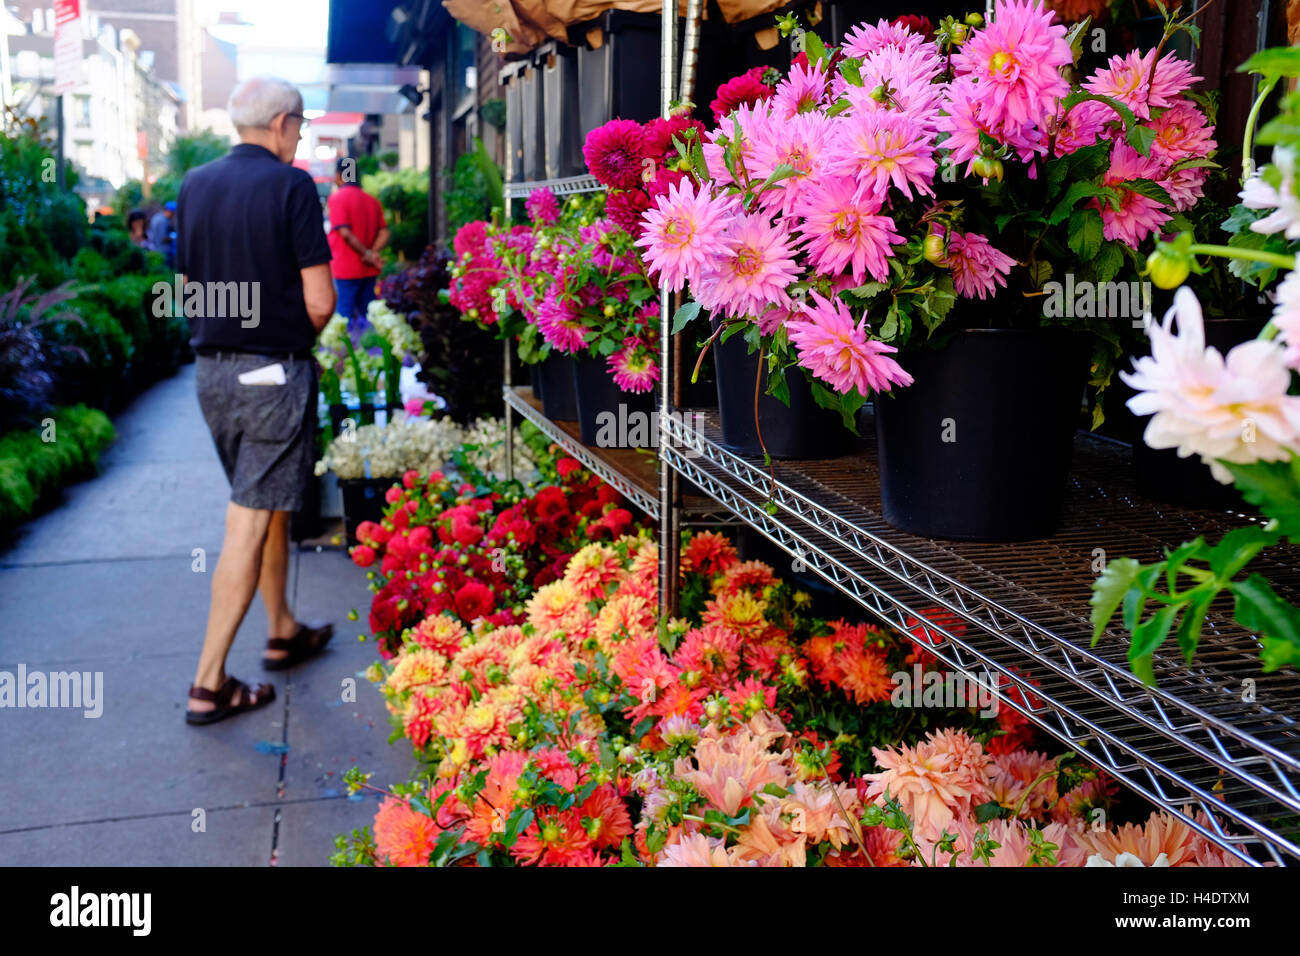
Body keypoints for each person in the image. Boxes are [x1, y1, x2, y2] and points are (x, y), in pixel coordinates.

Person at [176, 76, 337, 725]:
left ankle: (282, 628)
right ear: (279, 123)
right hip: (272, 377)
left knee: (260, 502)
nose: (301, 136)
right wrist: (287, 345)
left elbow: (187, 294)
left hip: (212, 375)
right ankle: (209, 683)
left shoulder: (194, 184)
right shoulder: (291, 186)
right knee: (247, 521)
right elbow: (322, 300)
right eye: (299, 125)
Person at [327, 156, 388, 326]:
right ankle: (372, 351)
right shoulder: (371, 201)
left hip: (346, 270)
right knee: (369, 315)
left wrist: (367, 253)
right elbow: (384, 232)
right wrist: (372, 253)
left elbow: (345, 233)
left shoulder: (338, 199)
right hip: (368, 269)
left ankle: (343, 352)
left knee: (344, 317)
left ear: (340, 175)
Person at [148, 201, 176, 267]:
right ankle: (176, 277)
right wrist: (175, 237)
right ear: (169, 211)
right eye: (174, 213)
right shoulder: (162, 221)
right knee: (176, 272)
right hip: (164, 253)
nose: (174, 215)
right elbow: (163, 239)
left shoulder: (157, 217)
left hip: (158, 251)